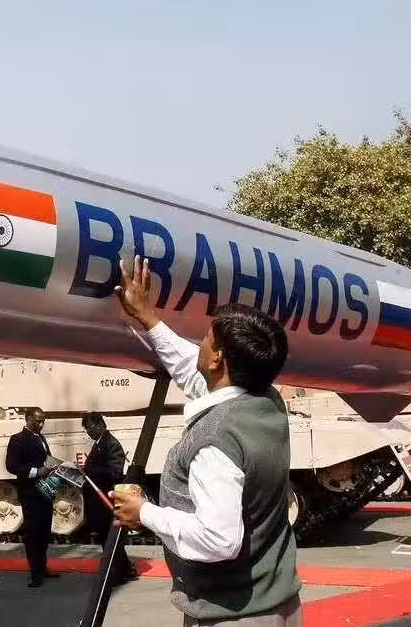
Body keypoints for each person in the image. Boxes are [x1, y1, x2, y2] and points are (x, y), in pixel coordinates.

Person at [110, 255, 302, 626]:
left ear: (217, 359)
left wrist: (143, 512)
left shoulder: (214, 442)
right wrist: (147, 317)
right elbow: (192, 369)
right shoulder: (265, 402)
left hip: (234, 617)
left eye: (206, 338)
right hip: (279, 605)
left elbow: (219, 540)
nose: (198, 343)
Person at [80, 411, 138, 585]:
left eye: (90, 427)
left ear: (101, 425)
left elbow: (115, 472)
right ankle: (125, 570)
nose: (88, 432)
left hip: (106, 501)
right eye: (86, 429)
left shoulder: (111, 444)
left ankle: (117, 575)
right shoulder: (99, 443)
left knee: (109, 539)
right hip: (99, 502)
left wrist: (89, 471)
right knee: (109, 539)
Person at [5, 407, 60, 587]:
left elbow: (45, 460)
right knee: (33, 534)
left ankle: (42, 568)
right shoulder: (17, 439)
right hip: (31, 495)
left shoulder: (41, 437)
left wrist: (54, 467)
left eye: (43, 420)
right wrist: (37, 471)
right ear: (27, 418)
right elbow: (11, 466)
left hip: (45, 492)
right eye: (37, 421)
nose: (41, 424)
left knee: (44, 533)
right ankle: (36, 573)